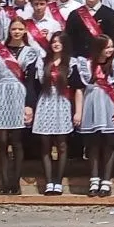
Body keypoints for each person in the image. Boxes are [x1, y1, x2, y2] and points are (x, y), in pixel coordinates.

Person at [0, 18, 39, 195]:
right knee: (2, 141)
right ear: (9, 30)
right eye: (14, 28)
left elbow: (31, 82)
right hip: (1, 93)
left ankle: (15, 182)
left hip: (19, 93)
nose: (16, 32)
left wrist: (29, 105)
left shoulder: (30, 52)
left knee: (16, 141)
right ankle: (3, 182)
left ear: (25, 31)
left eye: (20, 29)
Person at [71, 34, 114, 197]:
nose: (110, 50)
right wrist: (78, 112)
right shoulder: (85, 65)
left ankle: (106, 181)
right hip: (90, 105)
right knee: (93, 144)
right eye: (106, 47)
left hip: (108, 105)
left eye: (111, 46)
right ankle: (94, 179)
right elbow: (79, 90)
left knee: (109, 144)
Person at [28, 31, 74, 195]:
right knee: (45, 145)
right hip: (46, 102)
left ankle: (58, 181)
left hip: (62, 103)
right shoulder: (43, 62)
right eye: (54, 41)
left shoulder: (71, 63)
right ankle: (49, 182)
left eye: (59, 41)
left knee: (62, 145)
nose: (56, 44)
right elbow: (36, 85)